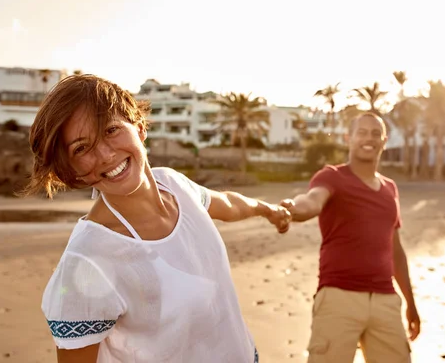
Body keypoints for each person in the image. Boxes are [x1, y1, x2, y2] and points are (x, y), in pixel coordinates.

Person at [23, 74, 291, 363]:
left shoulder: (173, 184)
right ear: (71, 170)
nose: (105, 154)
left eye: (111, 130)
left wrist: (268, 210)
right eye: (81, 148)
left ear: (139, 128)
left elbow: (227, 203)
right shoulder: (88, 259)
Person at [280, 113, 420, 363]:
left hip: (385, 299)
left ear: (384, 141)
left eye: (376, 133)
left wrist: (410, 302)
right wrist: (291, 209)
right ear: (349, 138)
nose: (369, 138)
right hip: (338, 297)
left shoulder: (390, 189)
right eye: (362, 132)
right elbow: (312, 201)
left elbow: (395, 250)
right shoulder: (332, 176)